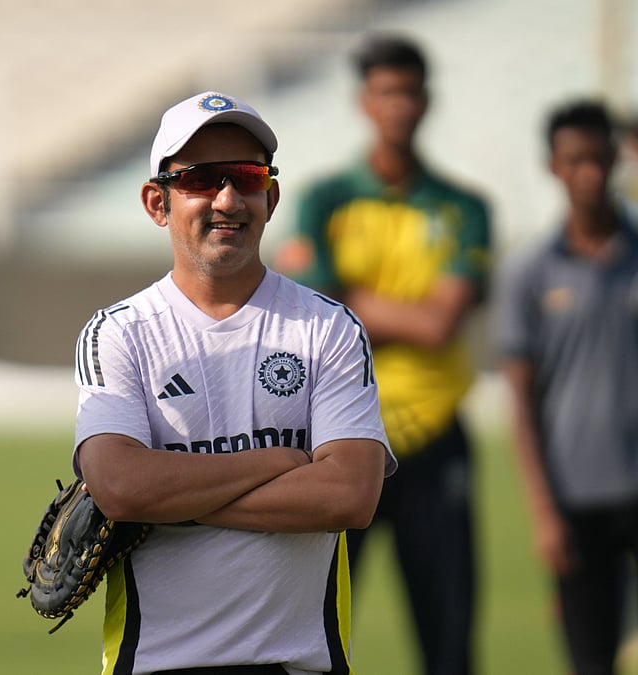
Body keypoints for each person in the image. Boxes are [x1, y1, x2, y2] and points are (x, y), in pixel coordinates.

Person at [73, 90, 396, 675]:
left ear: (270, 197)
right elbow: (119, 487)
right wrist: (278, 462)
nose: (227, 198)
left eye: (246, 177)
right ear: (157, 202)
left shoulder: (329, 327)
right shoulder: (118, 332)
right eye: (201, 178)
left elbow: (350, 495)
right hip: (154, 665)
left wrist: (169, 496)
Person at [274, 34, 491, 675]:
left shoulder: (463, 208)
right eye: (386, 91)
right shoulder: (323, 200)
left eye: (409, 91)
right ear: (363, 102)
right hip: (341, 438)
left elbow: (440, 325)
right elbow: (317, 311)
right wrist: (405, 311)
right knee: (314, 638)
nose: (398, 105)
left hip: (433, 435)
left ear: (427, 101)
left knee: (448, 641)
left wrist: (353, 302)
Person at [495, 99, 638, 675]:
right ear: (553, 166)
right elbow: (522, 405)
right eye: (575, 160)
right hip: (576, 500)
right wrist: (543, 512)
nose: (590, 173)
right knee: (591, 661)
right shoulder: (528, 270)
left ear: (617, 159)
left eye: (599, 159)